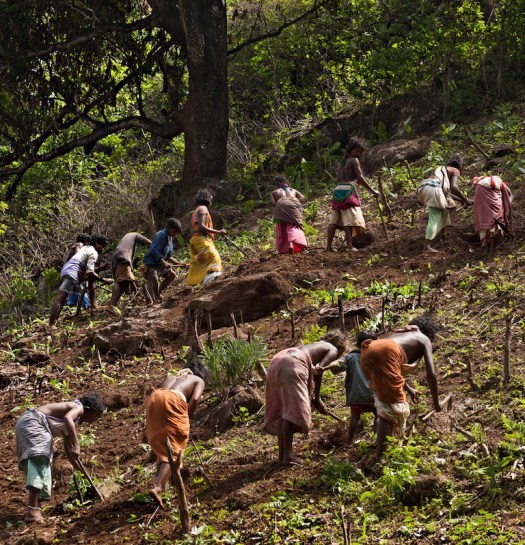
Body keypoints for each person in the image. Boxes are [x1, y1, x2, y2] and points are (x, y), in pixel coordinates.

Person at [360, 316, 441, 463]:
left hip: (367, 351)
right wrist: (436, 402)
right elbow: (432, 374)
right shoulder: (423, 339)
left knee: (384, 402)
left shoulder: (400, 334)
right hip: (386, 352)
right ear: (428, 333)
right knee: (390, 411)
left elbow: (393, 372)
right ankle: (380, 458)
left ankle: (381, 444)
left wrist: (409, 390)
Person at [15, 392, 105, 523]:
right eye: (96, 416)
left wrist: (80, 470)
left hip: (27, 423)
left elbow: (69, 452)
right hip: (34, 423)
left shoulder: (74, 422)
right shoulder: (78, 408)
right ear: (91, 409)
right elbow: (68, 419)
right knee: (40, 461)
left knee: (39, 462)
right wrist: (77, 444)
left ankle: (35, 509)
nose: (94, 419)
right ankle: (33, 511)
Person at [263, 336, 344, 466]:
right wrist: (316, 399)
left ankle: (282, 455)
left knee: (284, 411)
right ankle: (288, 456)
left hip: (276, 362)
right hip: (292, 363)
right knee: (291, 413)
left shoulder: (316, 345)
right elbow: (319, 371)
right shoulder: (333, 349)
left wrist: (316, 399)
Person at [146, 370, 205, 509]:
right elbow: (195, 399)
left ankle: (163, 488)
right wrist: (186, 415)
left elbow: (163, 394)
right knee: (175, 446)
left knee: (162, 444)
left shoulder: (172, 377)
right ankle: (159, 487)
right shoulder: (198, 380)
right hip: (173, 400)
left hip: (154, 398)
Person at [318, 330, 378, 443]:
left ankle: (349, 441)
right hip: (374, 393)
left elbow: (338, 364)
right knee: (378, 415)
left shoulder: (351, 357)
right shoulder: (376, 356)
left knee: (355, 417)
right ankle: (376, 439)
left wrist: (324, 367)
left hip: (357, 395)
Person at [326, 140, 379, 252]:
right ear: (350, 150)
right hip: (348, 192)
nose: (358, 154)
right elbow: (360, 177)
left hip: (338, 191)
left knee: (333, 221)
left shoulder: (343, 162)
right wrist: (372, 191)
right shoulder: (354, 160)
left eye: (360, 152)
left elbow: (338, 180)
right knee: (349, 220)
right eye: (357, 151)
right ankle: (349, 246)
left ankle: (328, 247)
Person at [49, 235, 112, 326]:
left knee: (62, 297)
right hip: (72, 271)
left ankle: (93, 307)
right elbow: (90, 272)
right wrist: (104, 280)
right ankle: (51, 324)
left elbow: (87, 270)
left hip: (68, 269)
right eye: (102, 246)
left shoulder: (86, 248)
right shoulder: (93, 252)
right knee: (61, 297)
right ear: (97, 244)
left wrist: (100, 269)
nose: (103, 249)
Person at [416, 156, 473, 253]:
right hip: (433, 190)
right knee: (434, 217)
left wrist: (461, 200)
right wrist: (465, 199)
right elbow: (454, 187)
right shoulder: (455, 170)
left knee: (444, 211)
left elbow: (447, 192)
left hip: (424, 188)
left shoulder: (443, 169)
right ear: (460, 165)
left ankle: (441, 235)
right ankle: (427, 247)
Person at [142, 218, 186, 304]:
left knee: (172, 275)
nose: (175, 234)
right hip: (151, 264)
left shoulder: (170, 238)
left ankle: (158, 293)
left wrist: (178, 263)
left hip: (159, 265)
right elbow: (154, 250)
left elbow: (169, 256)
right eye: (175, 231)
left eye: (177, 232)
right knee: (153, 276)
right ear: (169, 228)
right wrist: (163, 262)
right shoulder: (161, 235)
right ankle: (151, 300)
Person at [187, 190, 226, 286]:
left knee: (200, 263)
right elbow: (201, 226)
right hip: (201, 239)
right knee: (214, 258)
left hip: (196, 240)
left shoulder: (197, 209)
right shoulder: (203, 208)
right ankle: (210, 280)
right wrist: (218, 231)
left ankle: (197, 282)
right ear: (207, 200)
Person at [472, 174, 513, 259]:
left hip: (480, 192)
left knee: (484, 219)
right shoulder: (498, 182)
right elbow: (510, 194)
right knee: (495, 222)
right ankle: (491, 252)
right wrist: (506, 206)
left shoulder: (481, 183)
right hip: (486, 191)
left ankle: (485, 248)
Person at [109, 232, 152, 310]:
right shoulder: (135, 235)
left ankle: (114, 307)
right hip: (123, 257)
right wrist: (155, 248)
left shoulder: (126, 238)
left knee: (124, 282)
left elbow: (130, 278)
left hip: (116, 258)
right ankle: (112, 306)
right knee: (120, 281)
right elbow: (148, 241)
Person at [270, 174, 308, 254]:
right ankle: (292, 243)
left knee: (282, 226)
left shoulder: (274, 192)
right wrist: (294, 202)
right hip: (293, 202)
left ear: (276, 184)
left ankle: (283, 248)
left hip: (280, 203)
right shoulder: (293, 190)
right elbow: (303, 198)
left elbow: (273, 203)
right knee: (293, 225)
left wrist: (281, 206)